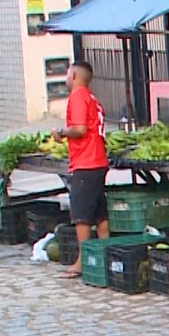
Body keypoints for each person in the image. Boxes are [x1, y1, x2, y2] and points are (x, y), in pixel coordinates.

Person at [53, 62, 109, 279]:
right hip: (98, 160)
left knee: (82, 215)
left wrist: (60, 132)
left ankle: (82, 261)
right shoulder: (92, 98)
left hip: (85, 161)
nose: (67, 78)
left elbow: (79, 129)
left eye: (68, 74)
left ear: (74, 75)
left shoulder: (78, 96)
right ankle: (105, 252)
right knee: (99, 212)